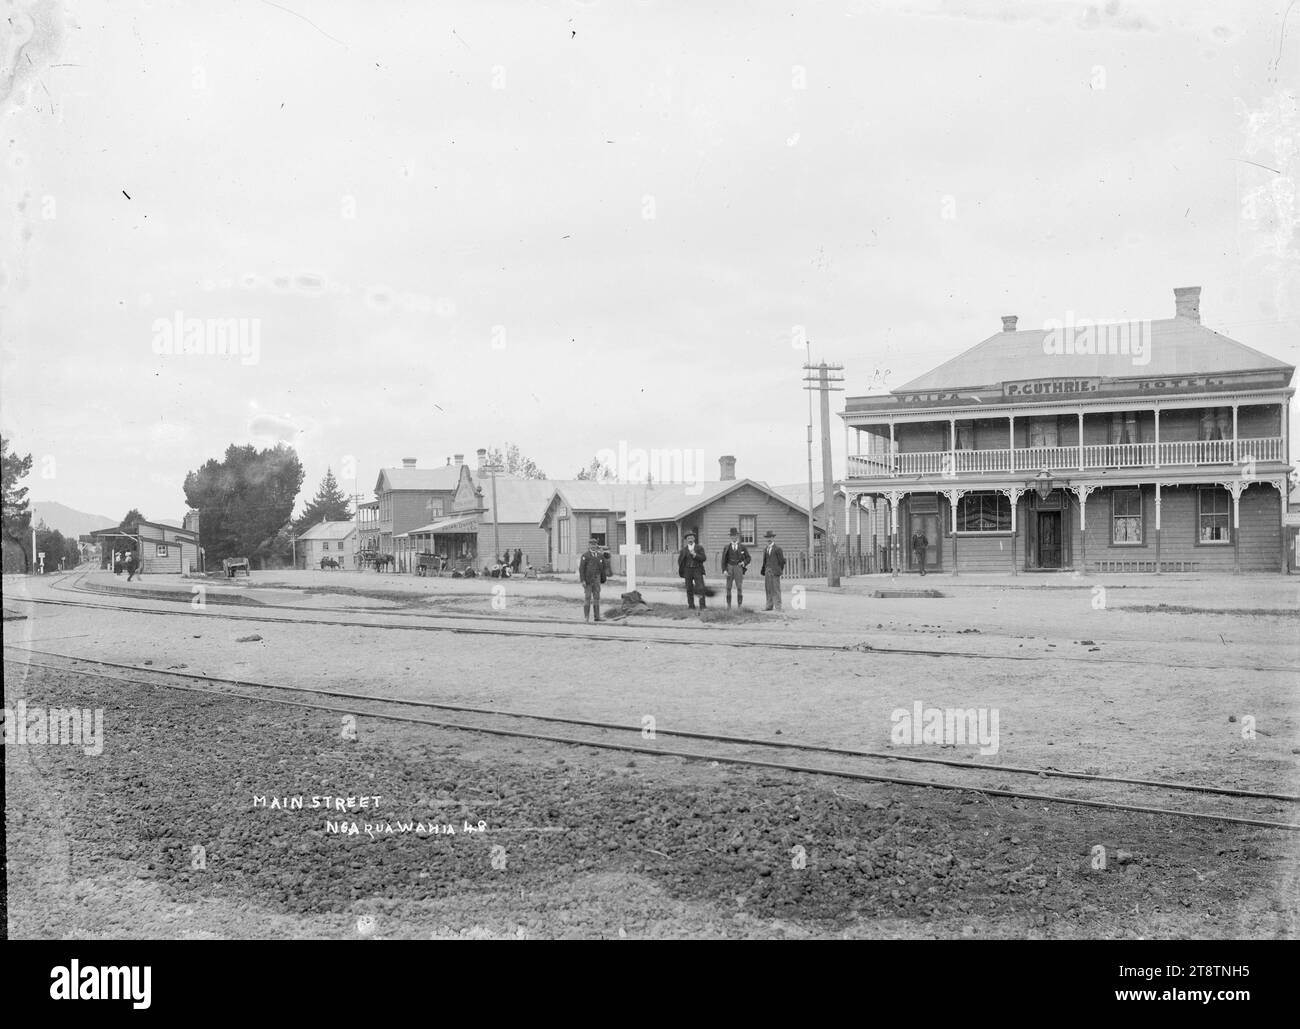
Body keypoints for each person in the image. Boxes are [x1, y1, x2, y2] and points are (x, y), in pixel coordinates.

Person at [719, 527, 751, 608]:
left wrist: (743, 563)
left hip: (738, 568)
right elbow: (723, 561)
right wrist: (724, 570)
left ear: (737, 536)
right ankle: (728, 605)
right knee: (728, 587)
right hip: (729, 567)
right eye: (732, 535)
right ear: (730, 536)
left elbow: (748, 558)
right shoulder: (726, 547)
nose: (734, 537)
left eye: (735, 535)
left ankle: (739, 605)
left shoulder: (742, 547)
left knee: (739, 587)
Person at [677, 529, 708, 611]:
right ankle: (691, 606)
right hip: (688, 571)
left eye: (691, 537)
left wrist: (695, 555)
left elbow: (704, 558)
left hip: (697, 569)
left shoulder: (699, 548)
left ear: (694, 538)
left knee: (700, 588)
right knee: (689, 589)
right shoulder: (683, 550)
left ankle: (703, 606)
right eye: (688, 538)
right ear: (686, 540)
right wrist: (683, 570)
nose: (690, 539)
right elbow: (680, 561)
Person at [577, 535, 606, 622]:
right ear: (589, 545)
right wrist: (582, 580)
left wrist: (603, 579)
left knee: (596, 598)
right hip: (588, 580)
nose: (593, 546)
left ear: (597, 545)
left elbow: (603, 568)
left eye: (595, 544)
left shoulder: (600, 556)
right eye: (591, 544)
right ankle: (586, 617)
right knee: (588, 598)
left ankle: (597, 617)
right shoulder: (585, 556)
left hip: (597, 580)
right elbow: (581, 569)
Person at [760, 530, 785, 611]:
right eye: (767, 538)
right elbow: (765, 561)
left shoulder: (778, 549)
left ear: (773, 538)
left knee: (776, 589)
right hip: (767, 571)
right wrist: (765, 570)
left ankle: (778, 607)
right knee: (768, 588)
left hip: (775, 571)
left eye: (770, 537)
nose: (769, 539)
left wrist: (778, 570)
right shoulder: (765, 549)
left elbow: (781, 561)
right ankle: (769, 606)